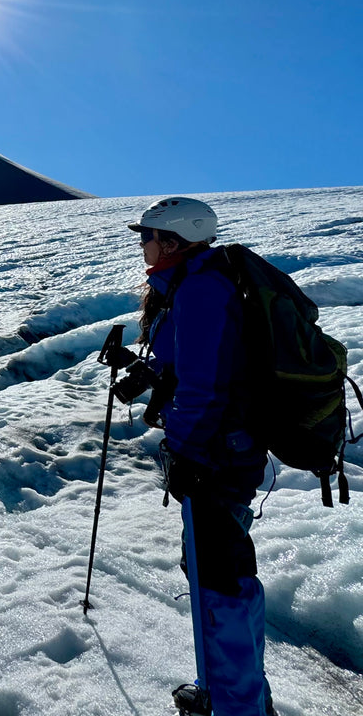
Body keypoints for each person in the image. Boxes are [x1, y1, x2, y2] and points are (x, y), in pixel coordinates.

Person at [119, 197, 273, 716]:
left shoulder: (201, 289)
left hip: (215, 455)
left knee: (218, 579)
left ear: (173, 240)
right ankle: (240, 694)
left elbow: (206, 386)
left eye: (147, 235)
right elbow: (193, 364)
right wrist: (150, 373)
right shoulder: (195, 282)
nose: (142, 244)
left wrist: (184, 453)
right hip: (224, 448)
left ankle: (234, 706)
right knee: (226, 572)